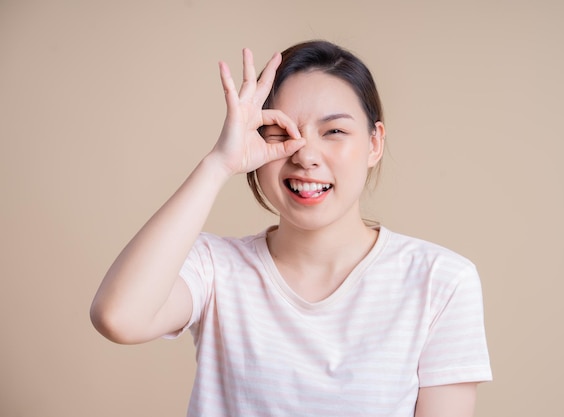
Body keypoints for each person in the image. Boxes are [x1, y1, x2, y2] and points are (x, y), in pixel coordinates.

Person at [90, 40, 492, 417]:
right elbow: (118, 317)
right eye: (281, 132)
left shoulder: (440, 281)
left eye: (334, 131)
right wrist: (218, 164)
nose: (306, 156)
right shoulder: (215, 268)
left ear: (374, 143)